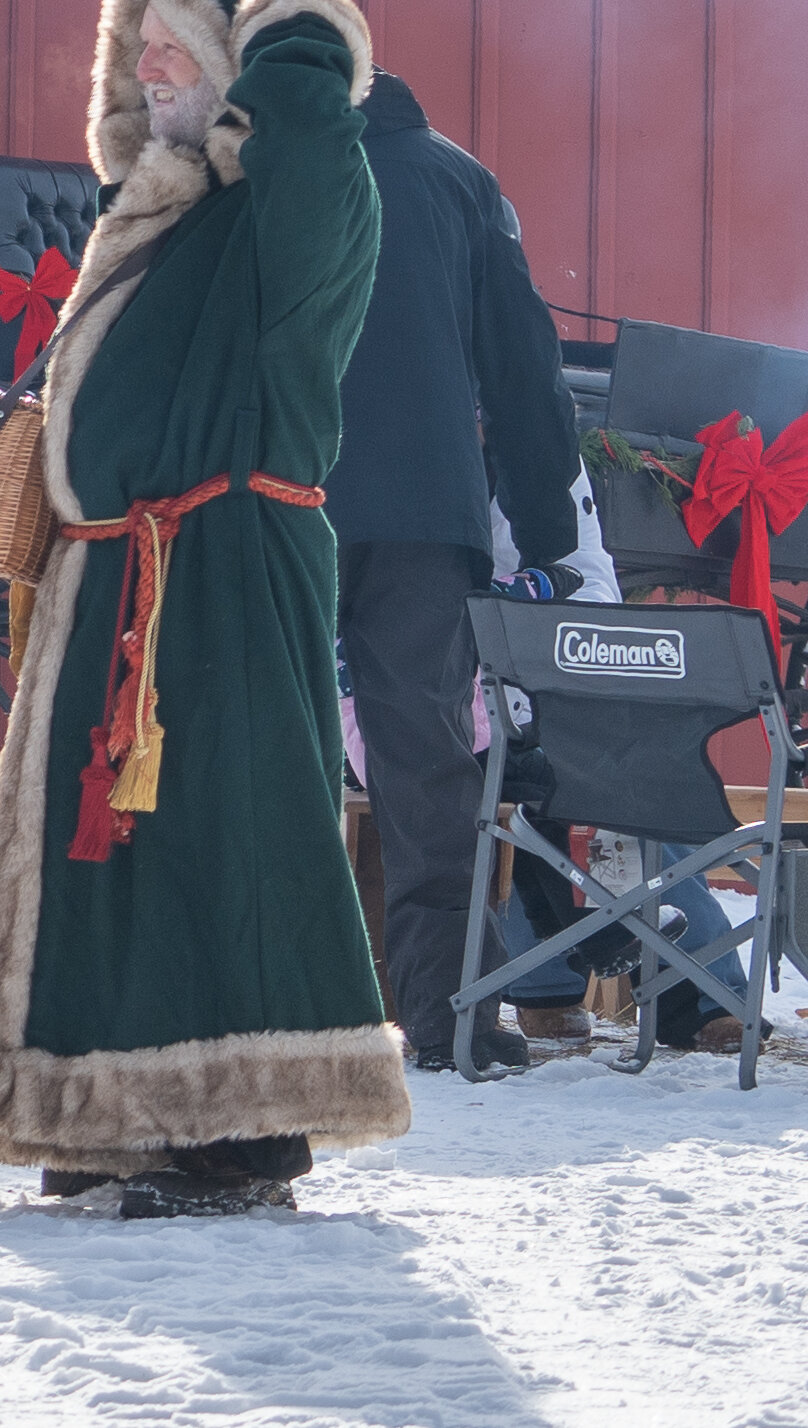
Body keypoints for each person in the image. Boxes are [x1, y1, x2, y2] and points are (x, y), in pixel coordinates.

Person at [0, 0, 406, 1217]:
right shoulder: (157, 213)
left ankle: (238, 1134)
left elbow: (314, 135)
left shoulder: (293, 214)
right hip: (112, 574)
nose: (145, 67)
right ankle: (103, 1109)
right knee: (113, 857)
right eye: (133, 44)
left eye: (175, 45)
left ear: (237, 73)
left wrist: (296, 29)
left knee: (225, 837)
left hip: (223, 571)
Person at [333, 63, 582, 1069]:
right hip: (425, 513)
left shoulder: (260, 167)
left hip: (278, 500)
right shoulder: (460, 181)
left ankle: (259, 1013)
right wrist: (547, 528)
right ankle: (450, 1019)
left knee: (261, 757)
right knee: (430, 773)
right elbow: (525, 368)